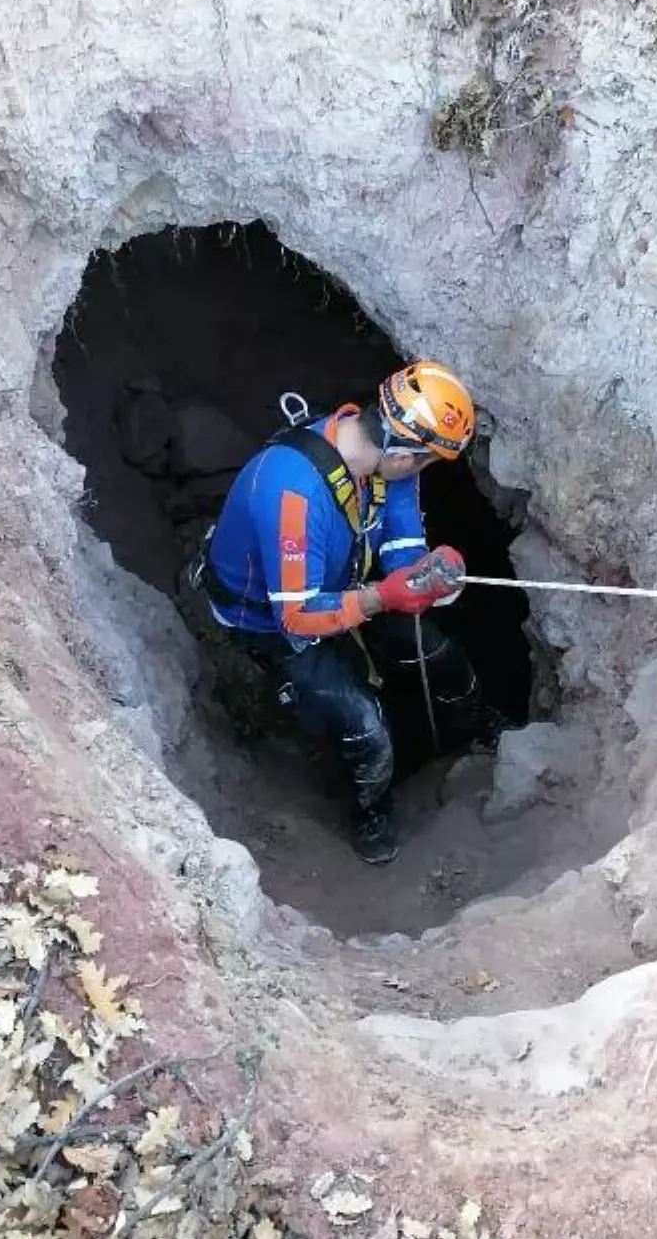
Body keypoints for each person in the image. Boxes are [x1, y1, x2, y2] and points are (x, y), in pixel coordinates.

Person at [196, 361, 503, 863]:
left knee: (433, 649)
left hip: (342, 583)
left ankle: (475, 725)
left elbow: (402, 546)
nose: (422, 473)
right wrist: (383, 598)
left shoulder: (387, 462)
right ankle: (371, 809)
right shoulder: (292, 492)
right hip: (267, 618)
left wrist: (428, 575)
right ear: (404, 453)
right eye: (425, 463)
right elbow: (295, 616)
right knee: (364, 721)